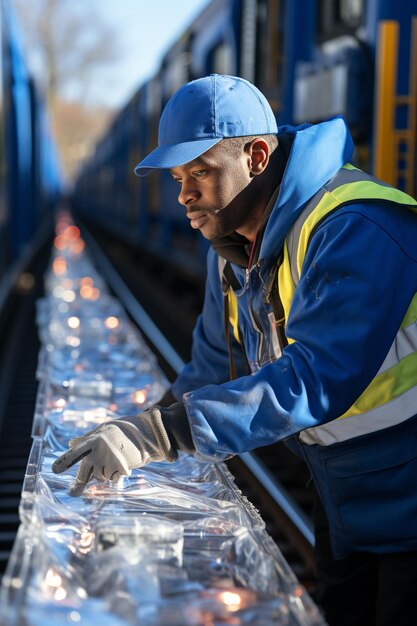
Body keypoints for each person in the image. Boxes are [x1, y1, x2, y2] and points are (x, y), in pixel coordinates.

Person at [53, 74, 417, 626]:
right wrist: (144, 426)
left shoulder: (356, 225)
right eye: (178, 178)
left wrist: (164, 435)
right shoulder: (233, 249)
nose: (183, 195)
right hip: (344, 489)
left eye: (199, 172)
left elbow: (316, 378)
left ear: (257, 155)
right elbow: (209, 364)